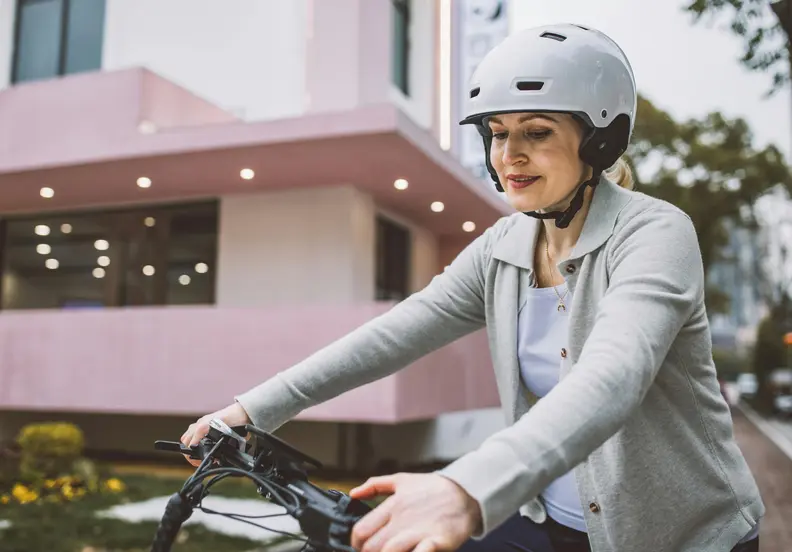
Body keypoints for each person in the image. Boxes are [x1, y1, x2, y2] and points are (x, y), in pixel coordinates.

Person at [180, 24, 764, 552]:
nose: (510, 155)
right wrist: (253, 409)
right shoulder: (503, 247)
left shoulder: (655, 233)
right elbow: (396, 334)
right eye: (497, 133)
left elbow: (613, 377)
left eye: (536, 131)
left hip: (679, 536)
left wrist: (464, 487)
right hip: (544, 517)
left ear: (601, 142)